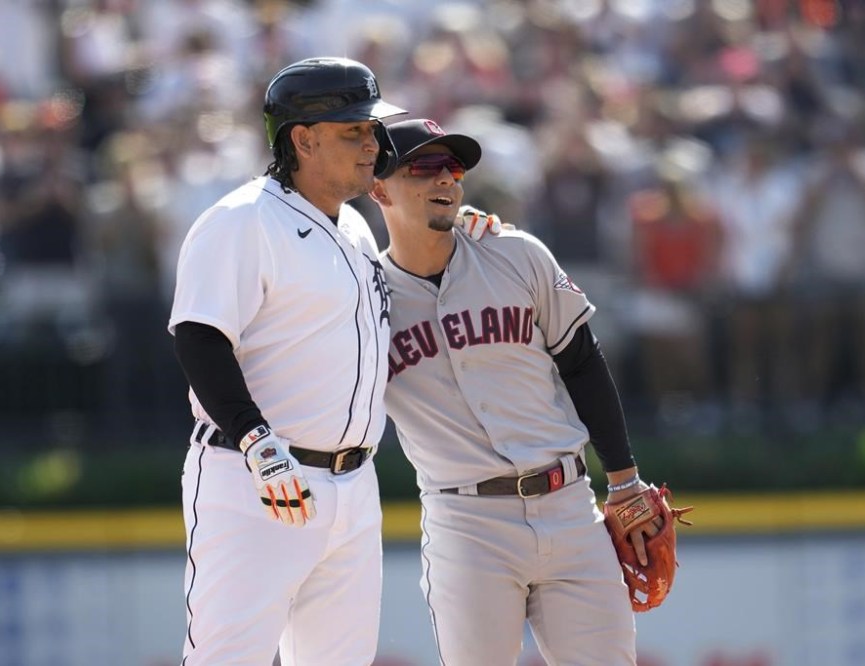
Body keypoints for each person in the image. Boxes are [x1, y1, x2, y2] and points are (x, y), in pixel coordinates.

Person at [167, 59, 497, 665]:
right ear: (303, 138)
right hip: (257, 480)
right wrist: (256, 444)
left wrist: (458, 233)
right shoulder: (242, 220)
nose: (373, 143)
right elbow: (199, 339)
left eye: (372, 130)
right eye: (354, 131)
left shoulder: (357, 229)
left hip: (352, 484)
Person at [371, 118, 659, 665]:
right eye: (424, 167)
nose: (446, 180)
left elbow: (582, 362)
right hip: (467, 524)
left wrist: (624, 479)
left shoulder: (515, 253)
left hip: (570, 507)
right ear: (379, 187)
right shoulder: (363, 294)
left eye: (453, 167)